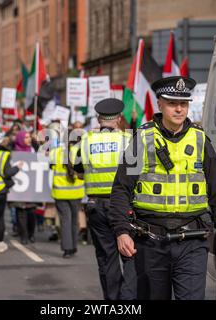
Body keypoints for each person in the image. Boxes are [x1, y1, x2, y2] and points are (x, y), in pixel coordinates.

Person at [109, 76, 216, 300]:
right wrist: (121, 231)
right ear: (159, 104)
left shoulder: (200, 141)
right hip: (150, 242)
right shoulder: (143, 139)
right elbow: (121, 189)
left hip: (192, 243)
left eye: (184, 104)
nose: (179, 109)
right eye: (172, 103)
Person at [73, 98, 136, 300]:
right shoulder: (129, 140)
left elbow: (78, 171)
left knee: (107, 258)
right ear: (118, 119)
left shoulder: (85, 141)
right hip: (125, 206)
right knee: (131, 255)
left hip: (96, 206)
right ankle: (129, 300)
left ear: (99, 119)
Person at [50, 136, 85, 258]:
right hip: (76, 192)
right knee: (75, 221)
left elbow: (50, 166)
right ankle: (74, 247)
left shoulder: (56, 152)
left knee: (65, 220)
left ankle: (67, 249)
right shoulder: (80, 151)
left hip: (60, 192)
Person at [11, 130, 38, 244]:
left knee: (31, 212)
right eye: (26, 137)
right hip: (19, 188)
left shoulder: (33, 151)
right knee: (21, 212)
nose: (29, 139)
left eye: (29, 137)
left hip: (31, 187)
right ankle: (24, 236)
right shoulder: (14, 153)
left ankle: (31, 233)